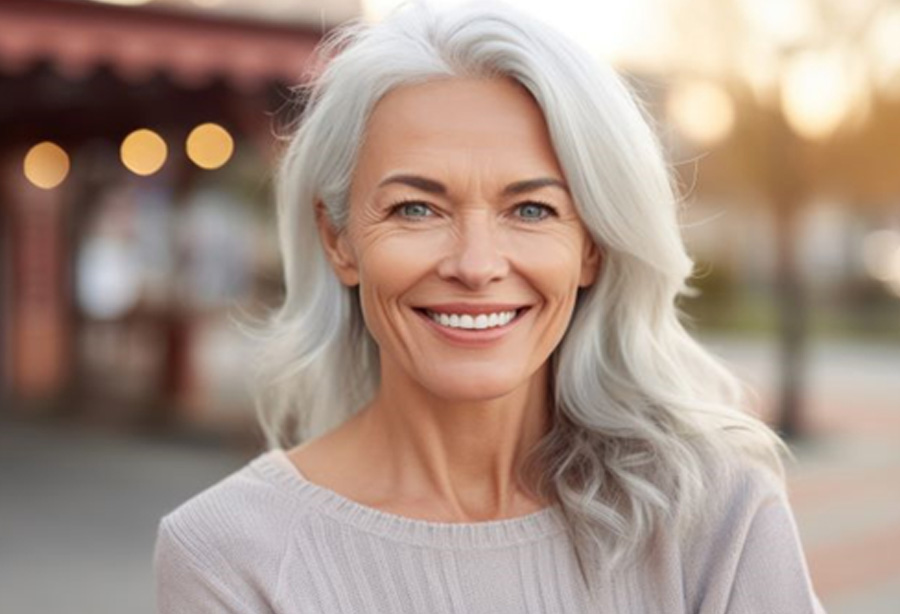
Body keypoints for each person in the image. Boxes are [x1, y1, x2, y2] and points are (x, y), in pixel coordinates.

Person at [153, 1, 827, 612]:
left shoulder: (715, 514)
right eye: (416, 208)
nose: (475, 266)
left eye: (531, 209)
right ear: (339, 240)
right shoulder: (227, 554)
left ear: (592, 245)